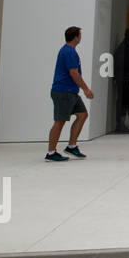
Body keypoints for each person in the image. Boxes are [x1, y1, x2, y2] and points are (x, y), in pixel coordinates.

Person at [49, 26, 93, 161]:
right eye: (80, 35)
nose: (81, 37)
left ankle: (72, 146)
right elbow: (74, 73)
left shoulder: (70, 51)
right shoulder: (68, 52)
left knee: (82, 115)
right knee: (60, 121)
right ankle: (51, 152)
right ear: (75, 37)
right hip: (63, 92)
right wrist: (86, 89)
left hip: (71, 92)